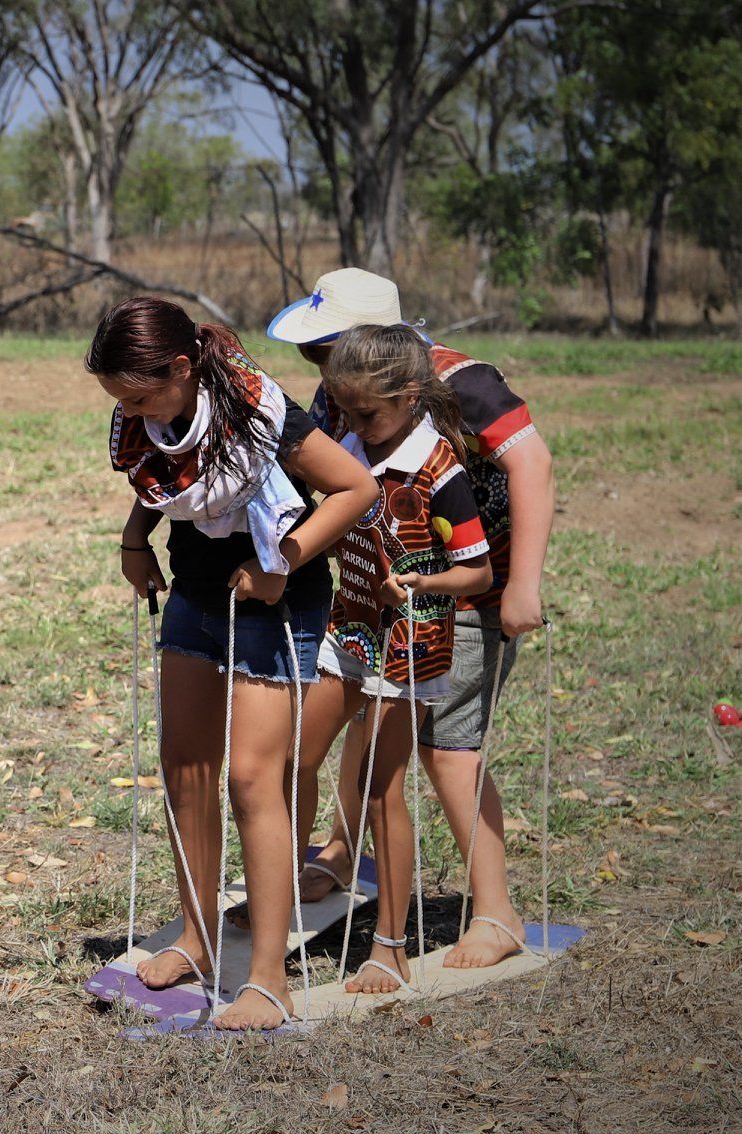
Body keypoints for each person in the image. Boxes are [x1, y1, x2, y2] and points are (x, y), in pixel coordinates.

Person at [89, 296, 376, 1029]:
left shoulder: (260, 412)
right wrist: (133, 539)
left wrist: (282, 558)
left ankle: (267, 978)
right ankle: (195, 936)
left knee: (253, 780)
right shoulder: (146, 416)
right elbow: (160, 479)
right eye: (119, 398)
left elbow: (355, 489)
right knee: (185, 770)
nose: (128, 410)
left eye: (139, 392)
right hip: (194, 594)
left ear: (182, 369)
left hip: (278, 602)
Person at [268, 268, 556, 967]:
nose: (318, 368)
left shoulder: (463, 384)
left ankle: (495, 913)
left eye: (324, 349)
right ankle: (339, 855)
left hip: (463, 600)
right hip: (376, 599)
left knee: (445, 751)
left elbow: (532, 466)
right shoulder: (342, 391)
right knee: (369, 727)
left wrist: (521, 585)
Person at [288, 324, 493, 992]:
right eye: (343, 411)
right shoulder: (350, 442)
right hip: (347, 626)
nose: (352, 425)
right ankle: (280, 896)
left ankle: (389, 947)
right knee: (293, 756)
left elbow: (478, 574)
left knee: (380, 786)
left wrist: (418, 584)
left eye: (365, 413)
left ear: (409, 396)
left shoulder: (438, 470)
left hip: (410, 640)